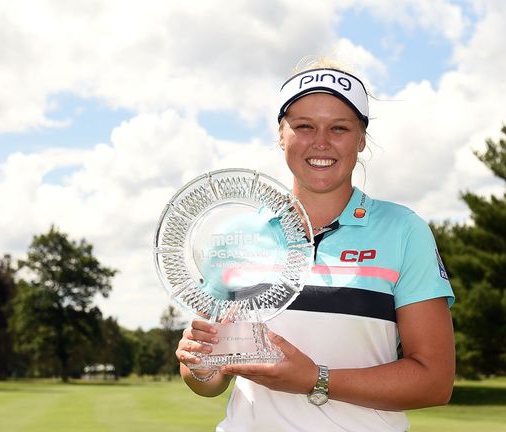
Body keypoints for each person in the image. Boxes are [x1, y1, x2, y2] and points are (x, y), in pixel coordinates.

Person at [175, 59, 456, 431]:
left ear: (361, 139)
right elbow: (211, 379)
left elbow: (434, 381)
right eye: (304, 126)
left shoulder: (403, 230)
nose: (320, 142)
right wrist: (199, 364)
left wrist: (314, 378)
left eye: (339, 128)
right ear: (281, 134)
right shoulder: (238, 233)